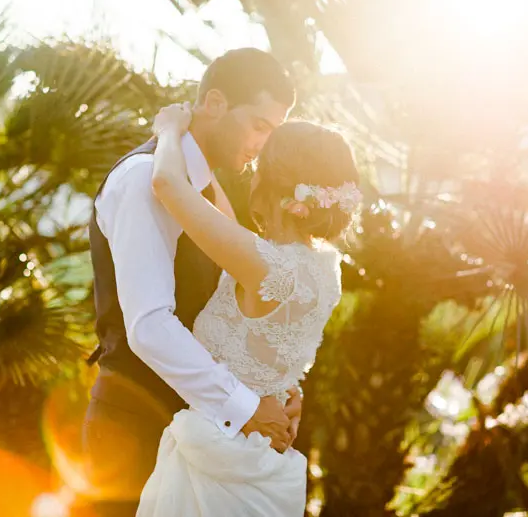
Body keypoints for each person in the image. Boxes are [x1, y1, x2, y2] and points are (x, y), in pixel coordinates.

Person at [82, 48, 301, 515]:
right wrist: (244, 408)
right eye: (259, 125)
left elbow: (220, 312)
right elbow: (151, 325)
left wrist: (274, 392)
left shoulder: (202, 190)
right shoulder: (145, 179)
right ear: (216, 104)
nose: (264, 143)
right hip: (132, 436)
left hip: (197, 438)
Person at [136, 104, 361, 516]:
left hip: (221, 461)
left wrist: (168, 128)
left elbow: (167, 182)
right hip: (264, 456)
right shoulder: (324, 266)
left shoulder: (265, 267)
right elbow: (225, 219)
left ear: (273, 182)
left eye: (259, 162)